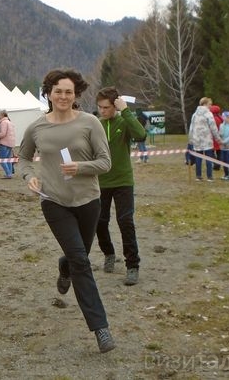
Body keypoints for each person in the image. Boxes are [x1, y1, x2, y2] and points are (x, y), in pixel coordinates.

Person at [17, 69, 115, 353]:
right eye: (57, 91)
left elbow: (105, 162)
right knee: (82, 262)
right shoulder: (37, 128)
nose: (63, 96)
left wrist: (80, 167)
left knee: (76, 257)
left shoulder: (90, 123)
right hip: (53, 201)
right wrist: (29, 177)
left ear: (76, 95)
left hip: (88, 200)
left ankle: (65, 266)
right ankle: (101, 329)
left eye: (68, 92)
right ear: (48, 93)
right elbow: (23, 157)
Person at [95, 87, 146, 286]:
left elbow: (140, 135)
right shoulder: (96, 124)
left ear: (115, 106)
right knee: (99, 222)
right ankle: (109, 253)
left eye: (106, 107)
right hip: (101, 182)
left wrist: (126, 110)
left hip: (123, 181)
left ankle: (132, 266)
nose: (102, 111)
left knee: (125, 222)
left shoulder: (124, 122)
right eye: (100, 107)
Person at [188, 97, 221, 182]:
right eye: (210, 104)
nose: (211, 106)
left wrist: (190, 139)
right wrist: (218, 138)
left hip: (197, 140)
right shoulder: (208, 114)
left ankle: (198, 176)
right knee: (208, 158)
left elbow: (191, 128)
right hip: (206, 140)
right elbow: (213, 128)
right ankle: (209, 177)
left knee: (198, 159)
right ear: (205, 104)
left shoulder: (194, 114)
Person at [0, 110, 16, 178]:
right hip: (10, 143)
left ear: (2, 115)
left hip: (4, 143)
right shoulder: (9, 122)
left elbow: (2, 134)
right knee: (8, 160)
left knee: (2, 160)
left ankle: (8, 174)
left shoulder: (3, 123)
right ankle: (10, 174)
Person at [209, 105, 223, 171]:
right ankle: (218, 165)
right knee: (219, 152)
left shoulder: (211, 119)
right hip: (220, 137)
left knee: (211, 152)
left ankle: (215, 163)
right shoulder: (221, 118)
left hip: (212, 137)